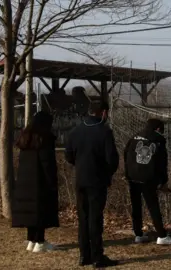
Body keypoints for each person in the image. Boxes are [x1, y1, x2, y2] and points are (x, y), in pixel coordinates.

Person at [65, 101, 119, 268]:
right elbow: (112, 159)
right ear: (103, 113)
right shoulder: (104, 132)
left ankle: (84, 255)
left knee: (83, 218)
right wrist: (106, 173)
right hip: (97, 180)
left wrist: (81, 165)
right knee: (95, 218)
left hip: (80, 179)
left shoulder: (75, 131)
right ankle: (97, 256)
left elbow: (68, 156)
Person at [123, 118, 171, 245]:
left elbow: (126, 155)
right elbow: (162, 163)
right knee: (153, 206)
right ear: (158, 129)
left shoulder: (134, 137)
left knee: (136, 206)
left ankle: (138, 234)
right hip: (148, 178)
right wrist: (163, 181)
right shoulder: (158, 140)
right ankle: (162, 236)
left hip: (133, 177)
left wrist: (127, 173)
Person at [12, 111, 59, 253]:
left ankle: (31, 240)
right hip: (40, 182)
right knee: (40, 212)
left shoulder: (25, 138)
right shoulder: (44, 139)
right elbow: (47, 163)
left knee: (30, 213)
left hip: (25, 183)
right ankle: (40, 241)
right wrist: (52, 182)